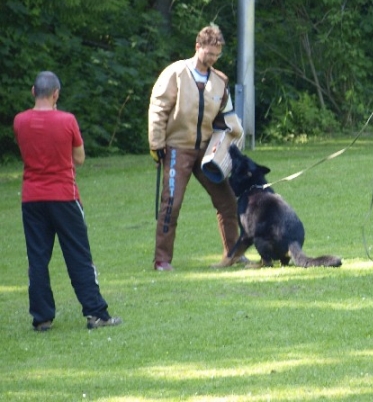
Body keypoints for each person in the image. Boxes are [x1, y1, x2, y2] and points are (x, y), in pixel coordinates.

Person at [13, 71, 122, 331]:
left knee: (37, 258)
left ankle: (42, 317)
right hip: (64, 196)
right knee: (79, 256)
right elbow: (80, 158)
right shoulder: (67, 120)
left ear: (33, 91)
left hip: (32, 198)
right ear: (56, 94)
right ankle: (96, 313)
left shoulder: (20, 121)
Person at [148, 25, 245, 271]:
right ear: (197, 47)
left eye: (216, 55)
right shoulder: (175, 73)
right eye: (209, 53)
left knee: (228, 202)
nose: (212, 59)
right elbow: (158, 108)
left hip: (207, 152)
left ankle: (233, 254)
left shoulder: (220, 82)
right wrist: (156, 143)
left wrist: (234, 144)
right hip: (176, 148)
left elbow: (228, 118)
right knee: (172, 203)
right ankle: (162, 260)